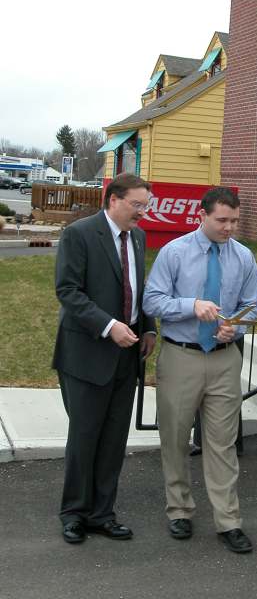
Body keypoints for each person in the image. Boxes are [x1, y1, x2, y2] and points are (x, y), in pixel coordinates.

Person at [143, 187, 257, 555]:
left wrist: (235, 327)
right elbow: (152, 300)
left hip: (224, 359)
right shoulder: (174, 252)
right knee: (175, 437)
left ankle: (229, 521)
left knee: (222, 443)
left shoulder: (243, 256)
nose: (229, 227)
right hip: (181, 356)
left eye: (234, 221)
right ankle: (179, 510)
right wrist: (190, 305)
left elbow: (252, 306)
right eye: (222, 220)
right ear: (202, 216)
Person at [53, 173, 156, 544]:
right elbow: (68, 290)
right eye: (136, 205)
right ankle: (74, 513)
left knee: (113, 440)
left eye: (146, 205)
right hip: (86, 355)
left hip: (126, 356)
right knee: (85, 438)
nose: (142, 212)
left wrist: (148, 328)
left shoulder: (138, 238)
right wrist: (109, 326)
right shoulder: (79, 234)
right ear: (113, 200)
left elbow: (137, 290)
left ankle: (102, 514)